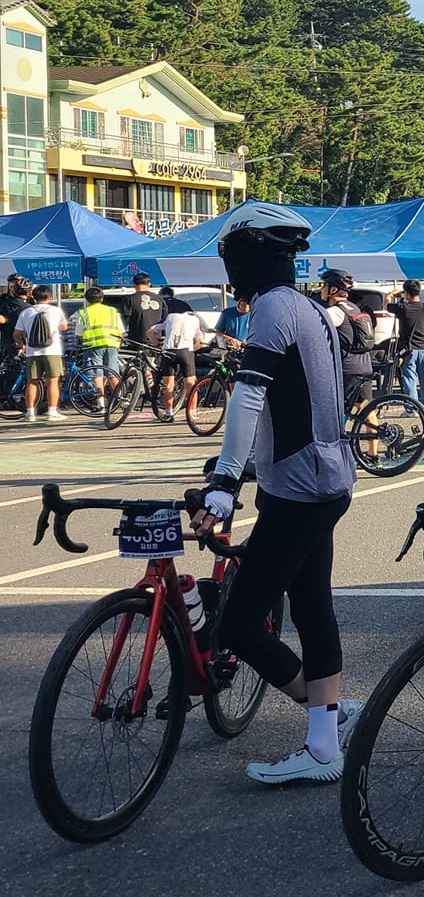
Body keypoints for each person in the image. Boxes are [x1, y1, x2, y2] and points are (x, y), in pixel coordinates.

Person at [192, 203, 358, 784]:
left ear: (245, 259)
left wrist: (224, 481)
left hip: (298, 489)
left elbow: (249, 395)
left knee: (238, 627)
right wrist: (241, 463)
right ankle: (325, 735)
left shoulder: (271, 309)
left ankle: (324, 726)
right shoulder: (310, 307)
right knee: (312, 606)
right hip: (327, 479)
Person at [318, 270, 378, 411]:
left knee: (333, 409)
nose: (322, 289)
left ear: (333, 289)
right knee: (365, 409)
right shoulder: (353, 307)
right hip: (364, 365)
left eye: (324, 285)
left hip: (347, 369)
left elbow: (315, 332)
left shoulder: (334, 312)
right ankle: (375, 427)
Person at [148, 297, 212, 418]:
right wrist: (193, 350)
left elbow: (150, 332)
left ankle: (169, 413)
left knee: (169, 385)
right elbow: (199, 342)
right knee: (190, 384)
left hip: (168, 351)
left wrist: (156, 344)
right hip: (186, 351)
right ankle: (192, 413)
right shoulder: (195, 319)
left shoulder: (169, 317)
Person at [13, 284, 68, 421]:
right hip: (52, 350)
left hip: (32, 352)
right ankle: (52, 412)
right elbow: (64, 326)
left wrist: (21, 345)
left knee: (32, 382)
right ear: (49, 297)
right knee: (53, 381)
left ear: (33, 296)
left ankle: (30, 413)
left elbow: (17, 333)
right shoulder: (56, 311)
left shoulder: (26, 312)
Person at [69, 286, 125, 409]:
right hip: (112, 344)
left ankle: (101, 404)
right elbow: (121, 331)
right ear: (102, 298)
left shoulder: (83, 313)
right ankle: (122, 399)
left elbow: (79, 333)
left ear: (87, 299)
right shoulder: (112, 311)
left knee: (97, 375)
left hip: (93, 346)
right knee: (112, 373)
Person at [391, 279, 424, 409]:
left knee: (409, 379)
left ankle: (412, 408)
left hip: (409, 348)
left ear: (406, 293)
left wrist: (391, 295)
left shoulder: (402, 308)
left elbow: (387, 305)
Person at [117, 272, 167, 343]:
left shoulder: (129, 299)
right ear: (149, 284)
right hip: (156, 339)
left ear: (134, 285)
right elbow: (165, 318)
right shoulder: (159, 299)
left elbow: (124, 320)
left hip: (137, 340)